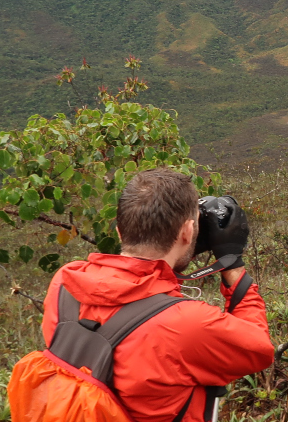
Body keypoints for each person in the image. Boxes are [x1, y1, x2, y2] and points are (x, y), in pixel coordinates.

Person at [38, 168, 275, 422]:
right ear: (187, 232)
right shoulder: (186, 324)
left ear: (120, 231)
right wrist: (232, 263)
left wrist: (179, 252)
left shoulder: (65, 282)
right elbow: (259, 350)